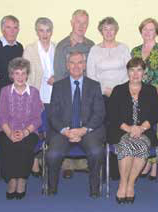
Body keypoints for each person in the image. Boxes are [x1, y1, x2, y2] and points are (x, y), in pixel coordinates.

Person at [46, 51, 105, 198]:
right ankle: (51, 187)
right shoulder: (59, 86)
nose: (76, 66)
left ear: (84, 65)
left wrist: (83, 130)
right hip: (64, 131)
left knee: (96, 152)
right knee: (53, 154)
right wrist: (66, 131)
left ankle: (95, 188)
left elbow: (99, 113)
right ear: (67, 65)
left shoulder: (94, 85)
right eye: (72, 62)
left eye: (80, 62)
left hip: (87, 130)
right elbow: (53, 114)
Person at [108, 58, 158, 204]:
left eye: (139, 70)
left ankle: (130, 184)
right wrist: (129, 129)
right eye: (132, 70)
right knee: (125, 145)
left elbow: (156, 114)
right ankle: (123, 183)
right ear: (128, 72)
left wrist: (141, 128)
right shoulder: (118, 90)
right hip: (121, 131)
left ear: (144, 72)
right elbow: (112, 115)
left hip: (145, 131)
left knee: (141, 146)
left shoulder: (151, 90)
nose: (135, 74)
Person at [87, 16, 130, 180]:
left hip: (121, 96)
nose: (109, 32)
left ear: (116, 30)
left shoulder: (124, 48)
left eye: (111, 28)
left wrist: (117, 91)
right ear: (101, 31)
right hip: (100, 96)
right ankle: (101, 169)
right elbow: (91, 76)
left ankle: (117, 169)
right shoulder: (94, 50)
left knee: (118, 131)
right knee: (102, 132)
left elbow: (130, 73)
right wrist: (104, 90)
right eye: (105, 29)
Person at [53, 9, 94, 178]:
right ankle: (68, 164)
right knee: (67, 125)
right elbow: (59, 76)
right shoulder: (62, 46)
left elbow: (91, 73)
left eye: (85, 23)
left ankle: (83, 162)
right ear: (71, 23)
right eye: (78, 22)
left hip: (86, 95)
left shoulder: (91, 45)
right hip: (67, 95)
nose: (81, 26)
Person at [131, 18, 158, 180]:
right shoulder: (135, 51)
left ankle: (153, 165)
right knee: (142, 129)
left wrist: (156, 95)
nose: (148, 33)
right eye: (145, 29)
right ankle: (146, 161)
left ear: (156, 32)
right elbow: (131, 74)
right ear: (141, 31)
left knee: (155, 129)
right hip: (138, 96)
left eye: (151, 30)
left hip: (157, 96)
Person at [0, 57, 43, 200]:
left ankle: (22, 179)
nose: (20, 77)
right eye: (17, 73)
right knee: (8, 145)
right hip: (7, 130)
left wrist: (24, 132)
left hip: (29, 130)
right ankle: (11, 180)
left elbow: (37, 118)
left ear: (27, 74)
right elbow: (2, 117)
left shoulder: (34, 92)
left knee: (25, 146)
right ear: (11, 75)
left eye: (23, 73)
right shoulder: (4, 91)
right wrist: (10, 133)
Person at [23, 17, 55, 176]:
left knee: (51, 130)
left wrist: (57, 78)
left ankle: (49, 161)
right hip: (37, 96)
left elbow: (63, 70)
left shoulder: (56, 48)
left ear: (51, 32)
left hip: (54, 97)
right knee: (37, 129)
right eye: (41, 30)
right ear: (37, 31)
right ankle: (35, 162)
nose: (45, 34)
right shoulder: (30, 50)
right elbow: (26, 77)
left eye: (48, 30)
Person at [0, 15, 23, 139]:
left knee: (13, 129)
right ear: (2, 29)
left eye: (15, 28)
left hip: (15, 95)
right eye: (9, 27)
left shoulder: (19, 47)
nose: (12, 31)